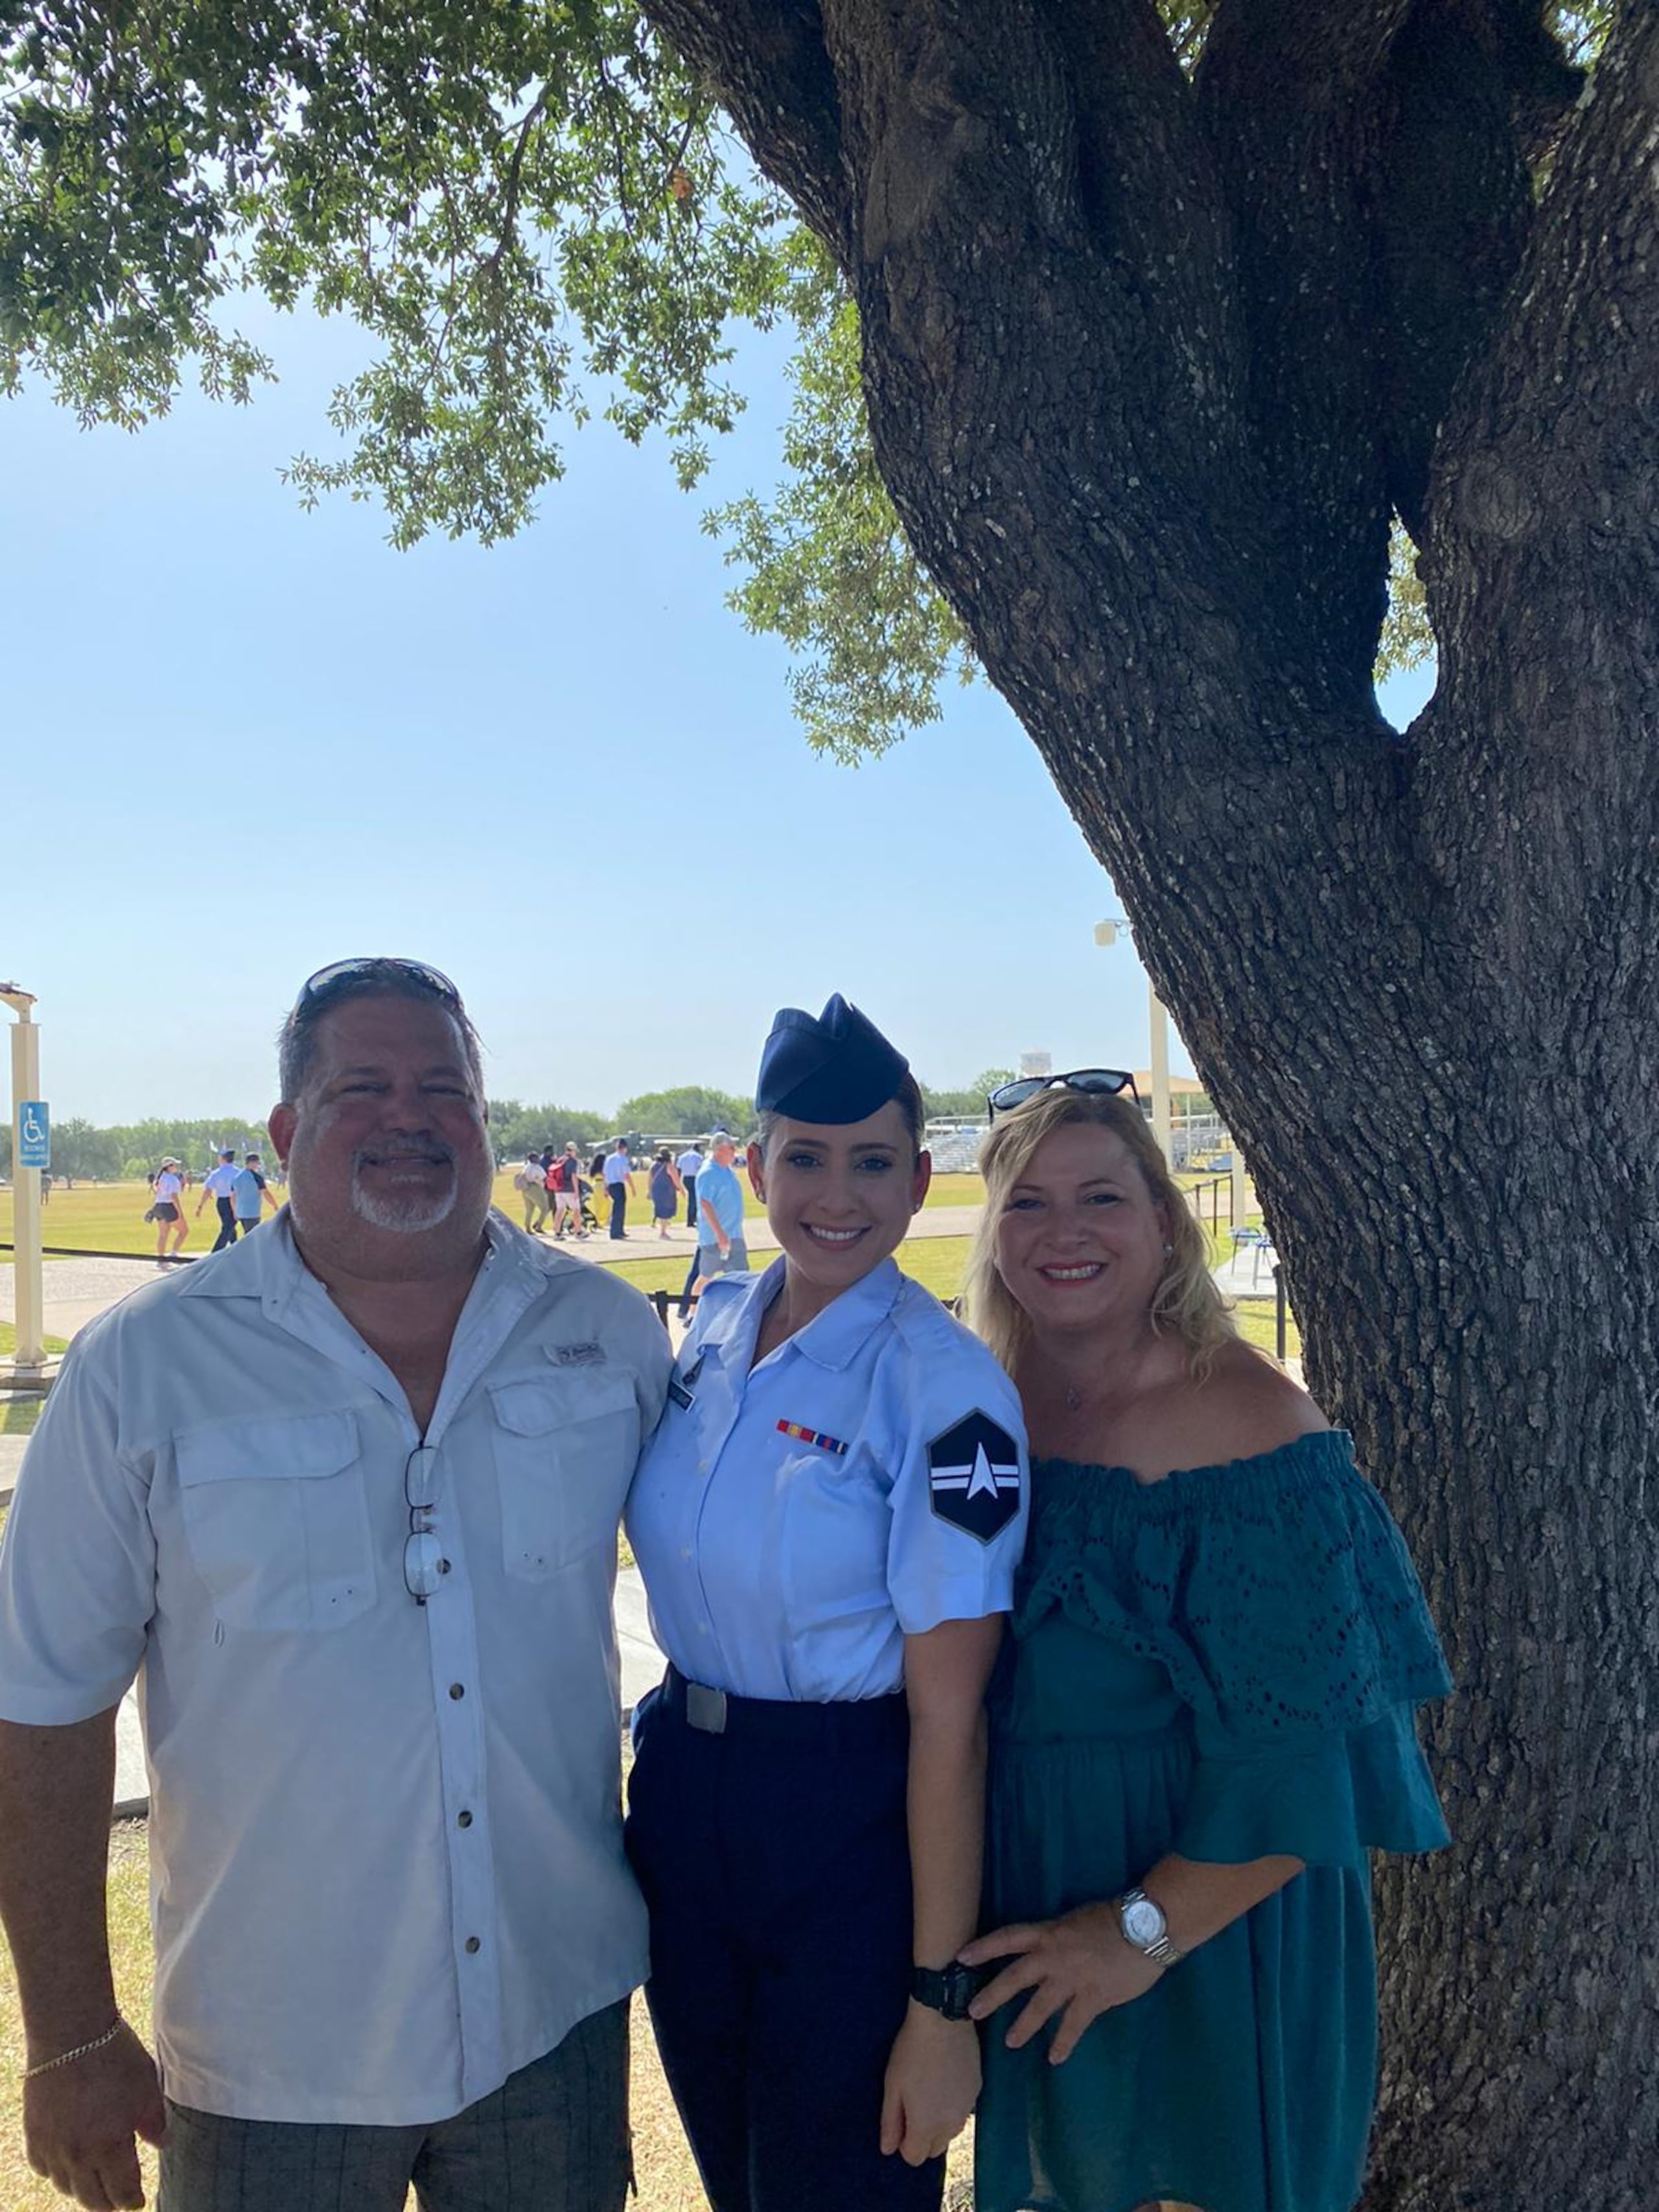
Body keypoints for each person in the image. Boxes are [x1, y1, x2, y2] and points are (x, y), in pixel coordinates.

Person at [0, 955, 672, 2212]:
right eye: (361, 1084)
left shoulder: (604, 1331)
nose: (409, 1115)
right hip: (273, 2049)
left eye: (445, 1086)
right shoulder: (144, 1366)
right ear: (284, 1127)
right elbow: (41, 1698)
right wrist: (71, 2028)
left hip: (553, 2008)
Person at [954, 1079, 1453, 2212]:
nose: (1063, 1230)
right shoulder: (986, 1400)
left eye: (1101, 1196)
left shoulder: (1255, 1431)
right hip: (1035, 1910)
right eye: (1027, 1202)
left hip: (1207, 1935)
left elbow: (1312, 1757)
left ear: (1166, 1223)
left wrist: (1137, 1935)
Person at [625, 994, 1030, 2212]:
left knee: (845, 2185)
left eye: (871, 1163)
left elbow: (953, 1721)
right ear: (754, 1167)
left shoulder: (947, 1392)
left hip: (851, 1820)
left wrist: (937, 2000)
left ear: (917, 1181)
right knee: (736, 2171)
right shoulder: (710, 1334)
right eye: (804, 1157)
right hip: (687, 1798)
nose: (835, 1193)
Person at [680, 1129, 747, 1317]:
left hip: (734, 1234)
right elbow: (705, 1204)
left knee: (741, 1277)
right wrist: (720, 1234)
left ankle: (736, 1315)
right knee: (706, 1276)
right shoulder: (708, 1172)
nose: (735, 1151)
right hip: (716, 1238)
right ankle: (692, 1314)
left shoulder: (727, 1170)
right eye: (731, 1148)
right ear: (720, 1150)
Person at [194, 1148, 241, 1252]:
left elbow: (208, 1190)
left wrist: (201, 1206)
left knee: (228, 1227)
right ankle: (235, 1248)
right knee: (229, 1226)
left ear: (223, 1159)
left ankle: (217, 1251)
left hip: (222, 1202)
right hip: (235, 1201)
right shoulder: (238, 1173)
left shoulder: (216, 1173)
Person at [149, 1157, 188, 1262]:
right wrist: (180, 1212)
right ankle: (174, 1254)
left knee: (163, 1235)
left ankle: (161, 1258)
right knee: (184, 1231)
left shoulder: (161, 1178)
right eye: (175, 1165)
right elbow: (174, 1197)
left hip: (159, 1206)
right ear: (169, 1167)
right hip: (168, 1206)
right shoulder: (172, 1179)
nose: (177, 1167)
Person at [231, 1148, 277, 1236]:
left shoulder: (236, 1178)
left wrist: (235, 1211)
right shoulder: (257, 1178)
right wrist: (274, 1205)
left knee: (247, 1234)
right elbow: (265, 1193)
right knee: (252, 1236)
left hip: (241, 1212)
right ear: (253, 1163)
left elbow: (233, 1196)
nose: (258, 1165)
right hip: (252, 1212)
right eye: (257, 1163)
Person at [548, 1142, 588, 1239]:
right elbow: (573, 1176)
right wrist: (576, 1191)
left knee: (560, 1210)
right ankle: (578, 1231)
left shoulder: (560, 1159)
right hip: (569, 1189)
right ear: (573, 1150)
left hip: (558, 1189)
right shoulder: (572, 1161)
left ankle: (557, 1233)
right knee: (576, 1210)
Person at [602, 1139, 634, 1240]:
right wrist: (632, 1187)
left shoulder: (609, 1159)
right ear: (624, 1148)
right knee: (619, 1209)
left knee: (617, 1208)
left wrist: (605, 1187)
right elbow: (626, 1174)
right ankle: (616, 1232)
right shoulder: (622, 1159)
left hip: (611, 1185)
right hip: (618, 1184)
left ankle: (619, 1230)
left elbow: (605, 1174)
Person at [514, 1148, 551, 1233]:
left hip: (526, 1188)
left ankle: (528, 1227)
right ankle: (539, 1226)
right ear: (534, 1159)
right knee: (545, 1208)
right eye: (537, 1158)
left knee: (530, 1209)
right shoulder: (537, 1168)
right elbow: (544, 1177)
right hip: (535, 1187)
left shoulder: (527, 1167)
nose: (539, 1159)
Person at [647, 1147, 681, 1238]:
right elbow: (675, 1178)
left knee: (660, 1208)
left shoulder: (653, 1165)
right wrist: (680, 1188)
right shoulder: (669, 1166)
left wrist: (649, 1190)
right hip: (667, 1190)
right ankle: (663, 1232)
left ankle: (662, 1228)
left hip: (656, 1189)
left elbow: (650, 1179)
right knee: (666, 1210)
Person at [675, 1140, 703, 1233]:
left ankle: (692, 1218)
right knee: (694, 1199)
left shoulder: (683, 1156)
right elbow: (700, 1169)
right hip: (695, 1178)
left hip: (686, 1178)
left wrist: (678, 1183)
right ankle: (692, 1219)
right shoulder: (698, 1157)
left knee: (692, 1198)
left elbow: (679, 1170)